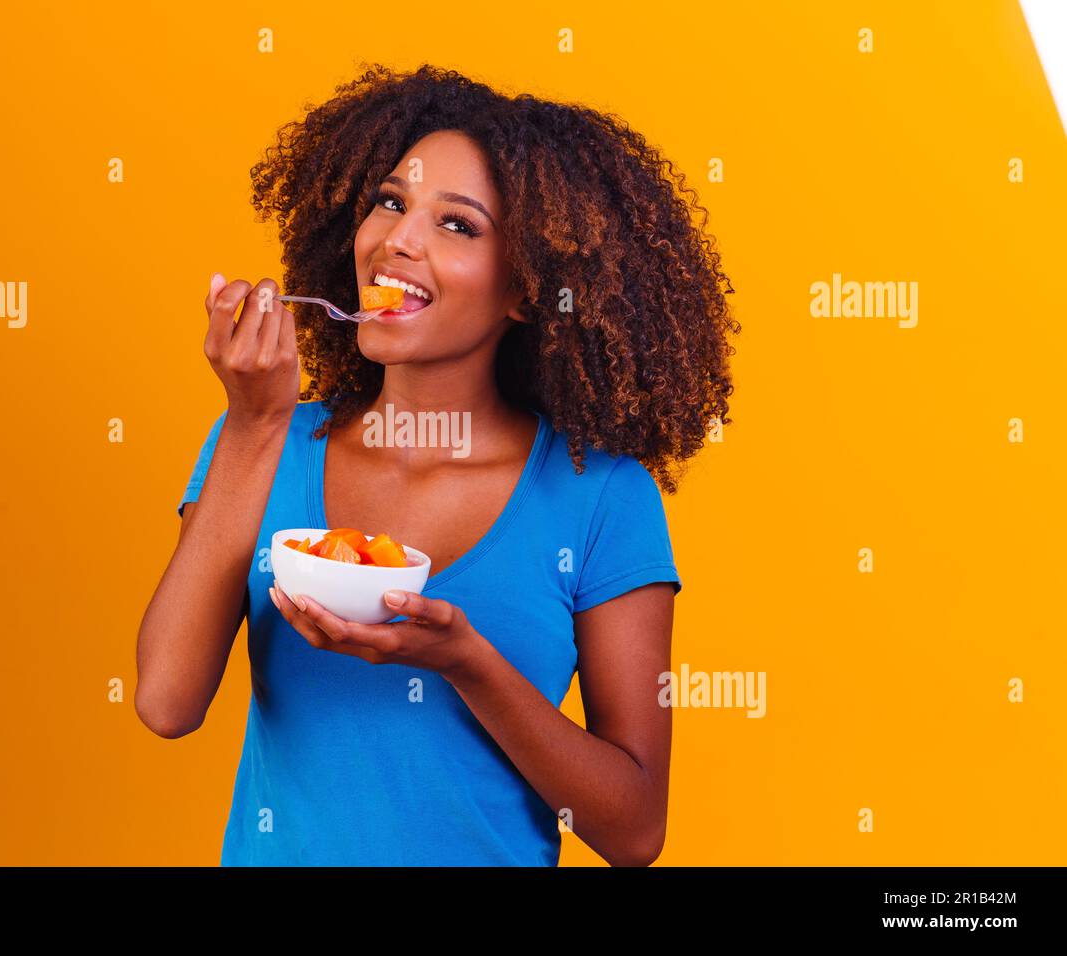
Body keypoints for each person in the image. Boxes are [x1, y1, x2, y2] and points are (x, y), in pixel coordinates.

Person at [136, 64, 739, 866]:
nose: (398, 240)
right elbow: (166, 702)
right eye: (390, 202)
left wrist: (465, 663)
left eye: (456, 225)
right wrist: (251, 424)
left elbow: (633, 832)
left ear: (526, 291)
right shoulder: (263, 440)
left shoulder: (600, 497)